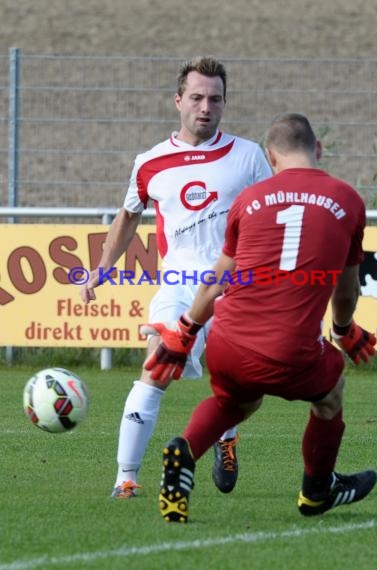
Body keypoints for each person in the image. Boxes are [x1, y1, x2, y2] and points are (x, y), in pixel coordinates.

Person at [143, 112, 377, 523]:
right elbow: (346, 287)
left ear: (270, 158)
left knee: (235, 400)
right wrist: (343, 329)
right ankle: (317, 491)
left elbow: (217, 280)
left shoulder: (248, 201)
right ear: (317, 150)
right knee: (331, 392)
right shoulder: (347, 200)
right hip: (290, 349)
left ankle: (184, 449)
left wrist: (184, 332)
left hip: (227, 342)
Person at [80, 56, 273, 498]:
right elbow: (128, 217)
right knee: (156, 364)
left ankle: (226, 436)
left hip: (235, 288)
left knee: (242, 386)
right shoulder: (150, 162)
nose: (206, 107)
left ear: (225, 103)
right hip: (180, 285)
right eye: (197, 97)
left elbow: (271, 214)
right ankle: (125, 478)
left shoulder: (248, 156)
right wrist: (102, 269)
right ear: (178, 100)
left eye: (216, 99)